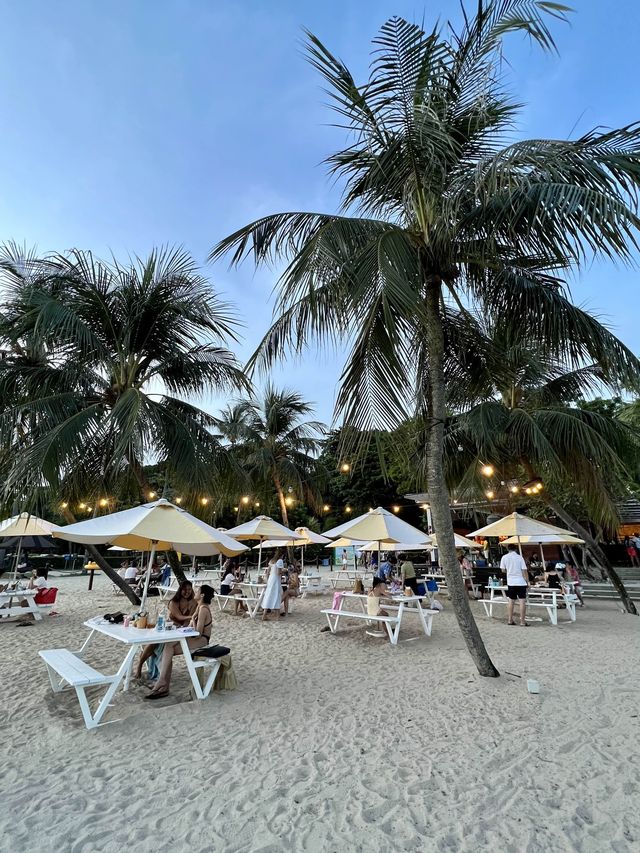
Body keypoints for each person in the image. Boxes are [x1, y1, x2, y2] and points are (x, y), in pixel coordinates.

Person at [145, 584, 214, 699]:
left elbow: (199, 632)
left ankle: (163, 683)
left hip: (202, 639)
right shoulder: (199, 606)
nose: (195, 592)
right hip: (194, 636)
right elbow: (192, 627)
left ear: (202, 595)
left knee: (169, 649)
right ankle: (163, 683)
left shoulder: (203, 609)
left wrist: (192, 619)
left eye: (197, 591)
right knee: (168, 646)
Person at [134, 580, 197, 679]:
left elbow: (186, 622)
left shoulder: (193, 603)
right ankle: (139, 666)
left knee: (167, 646)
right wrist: (192, 617)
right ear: (180, 590)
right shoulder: (173, 602)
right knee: (153, 643)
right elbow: (179, 617)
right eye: (184, 589)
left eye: (189, 589)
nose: (187, 592)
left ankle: (161, 672)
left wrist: (186, 626)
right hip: (169, 626)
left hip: (181, 630)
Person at [500, 544, 528, 626]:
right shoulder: (520, 557)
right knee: (522, 601)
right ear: (515, 549)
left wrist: (509, 570)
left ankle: (510, 620)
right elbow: (524, 571)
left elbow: (503, 570)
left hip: (511, 582)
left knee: (511, 601)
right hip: (521, 581)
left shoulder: (504, 557)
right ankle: (522, 621)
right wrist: (527, 581)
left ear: (508, 549)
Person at [261, 552, 284, 620]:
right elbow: (278, 572)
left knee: (269, 596)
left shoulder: (271, 561)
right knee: (276, 596)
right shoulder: (280, 561)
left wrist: (268, 580)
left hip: (271, 579)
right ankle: (277, 616)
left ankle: (264, 614)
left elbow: (267, 572)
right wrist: (284, 571)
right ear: (281, 555)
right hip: (276, 580)